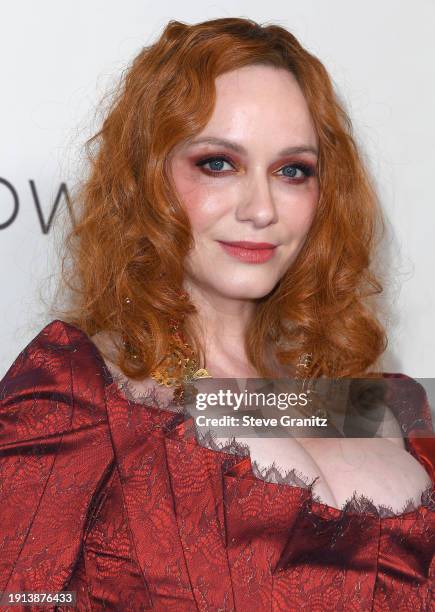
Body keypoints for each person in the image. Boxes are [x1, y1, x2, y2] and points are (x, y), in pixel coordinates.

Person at [0, 17, 433, 611]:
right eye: (218, 163)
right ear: (148, 182)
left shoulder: (387, 404)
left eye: (292, 171)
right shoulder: (79, 391)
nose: (261, 209)